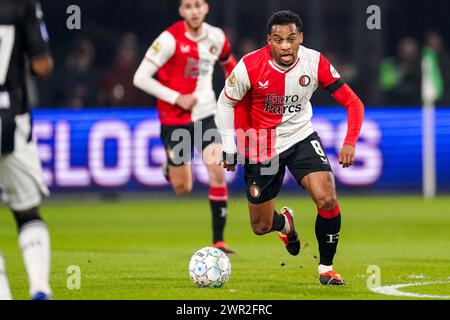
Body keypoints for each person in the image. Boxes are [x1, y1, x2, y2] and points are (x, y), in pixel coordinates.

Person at [217, 10, 364, 285]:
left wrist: (350, 141)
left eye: (291, 39)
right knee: (260, 226)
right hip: (260, 147)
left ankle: (326, 268)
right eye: (278, 39)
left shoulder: (314, 62)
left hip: (300, 137)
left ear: (300, 38)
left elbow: (354, 103)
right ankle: (285, 224)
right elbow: (225, 103)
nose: (285, 46)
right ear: (269, 41)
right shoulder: (250, 66)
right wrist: (228, 146)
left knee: (327, 198)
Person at [133, 0, 237, 255]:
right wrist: (176, 98)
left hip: (205, 114)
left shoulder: (217, 37)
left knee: (217, 171)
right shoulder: (168, 40)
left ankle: (219, 242)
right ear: (181, 11)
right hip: (175, 118)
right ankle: (170, 166)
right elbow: (140, 78)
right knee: (183, 189)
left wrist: (237, 90)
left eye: (198, 5)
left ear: (206, 8)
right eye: (188, 6)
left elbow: (230, 66)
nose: (193, 11)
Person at [0, 0, 53, 299]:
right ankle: (39, 287)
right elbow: (42, 65)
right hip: (10, 118)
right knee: (27, 211)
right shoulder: (21, 4)